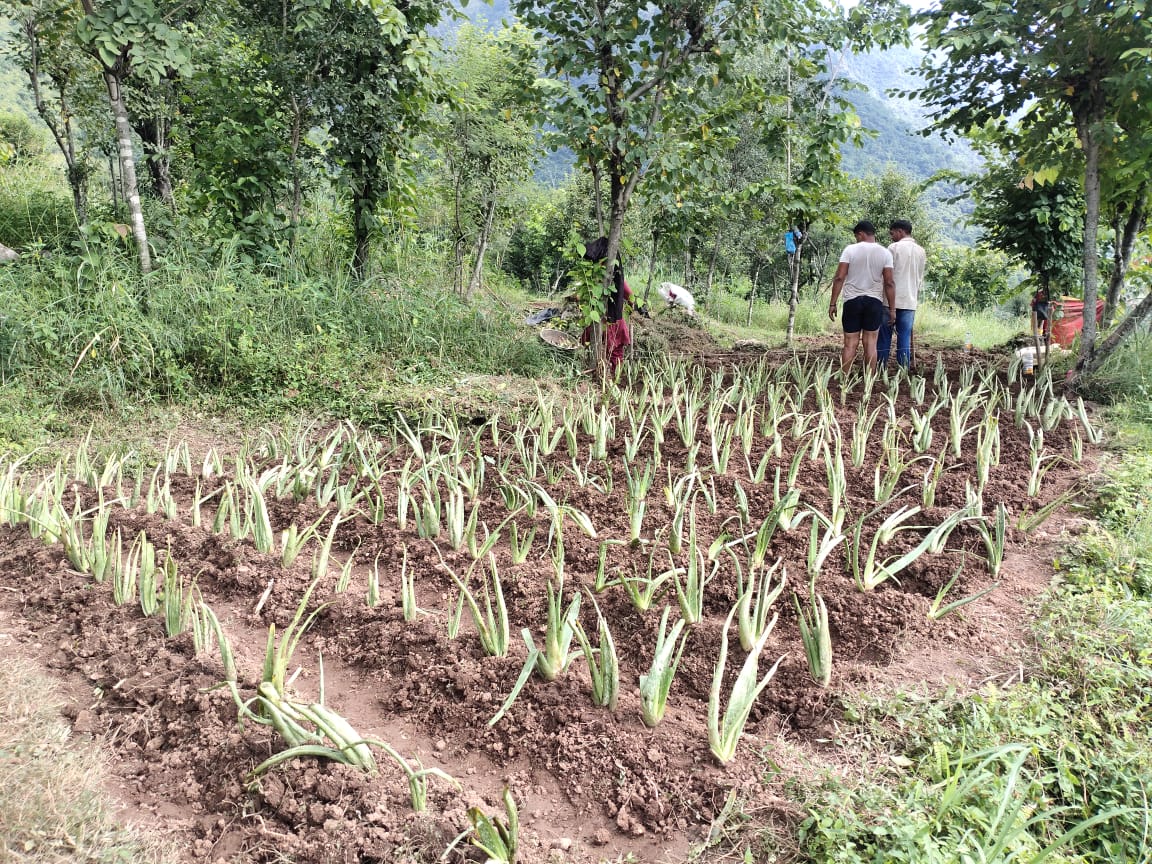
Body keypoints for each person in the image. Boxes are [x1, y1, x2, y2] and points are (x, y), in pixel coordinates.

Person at [828, 220, 896, 372]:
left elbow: (839, 277)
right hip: (874, 302)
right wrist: (892, 309)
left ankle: (844, 379)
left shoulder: (850, 250)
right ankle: (869, 380)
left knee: (850, 343)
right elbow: (889, 282)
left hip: (852, 301)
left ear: (860, 234)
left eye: (856, 236)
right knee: (871, 343)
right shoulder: (885, 253)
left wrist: (832, 303)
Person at [582, 236, 643, 375]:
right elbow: (629, 296)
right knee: (605, 349)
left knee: (614, 351)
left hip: (611, 319)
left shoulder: (614, 278)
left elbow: (629, 295)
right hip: (603, 318)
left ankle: (614, 379)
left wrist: (636, 306)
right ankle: (602, 373)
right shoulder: (599, 277)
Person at [877, 219, 926, 369]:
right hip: (910, 301)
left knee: (884, 336)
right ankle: (903, 370)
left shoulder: (893, 248)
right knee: (904, 337)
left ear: (900, 231)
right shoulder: (921, 251)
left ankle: (880, 368)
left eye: (892, 233)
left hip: (890, 301)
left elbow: (887, 275)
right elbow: (919, 277)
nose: (891, 236)